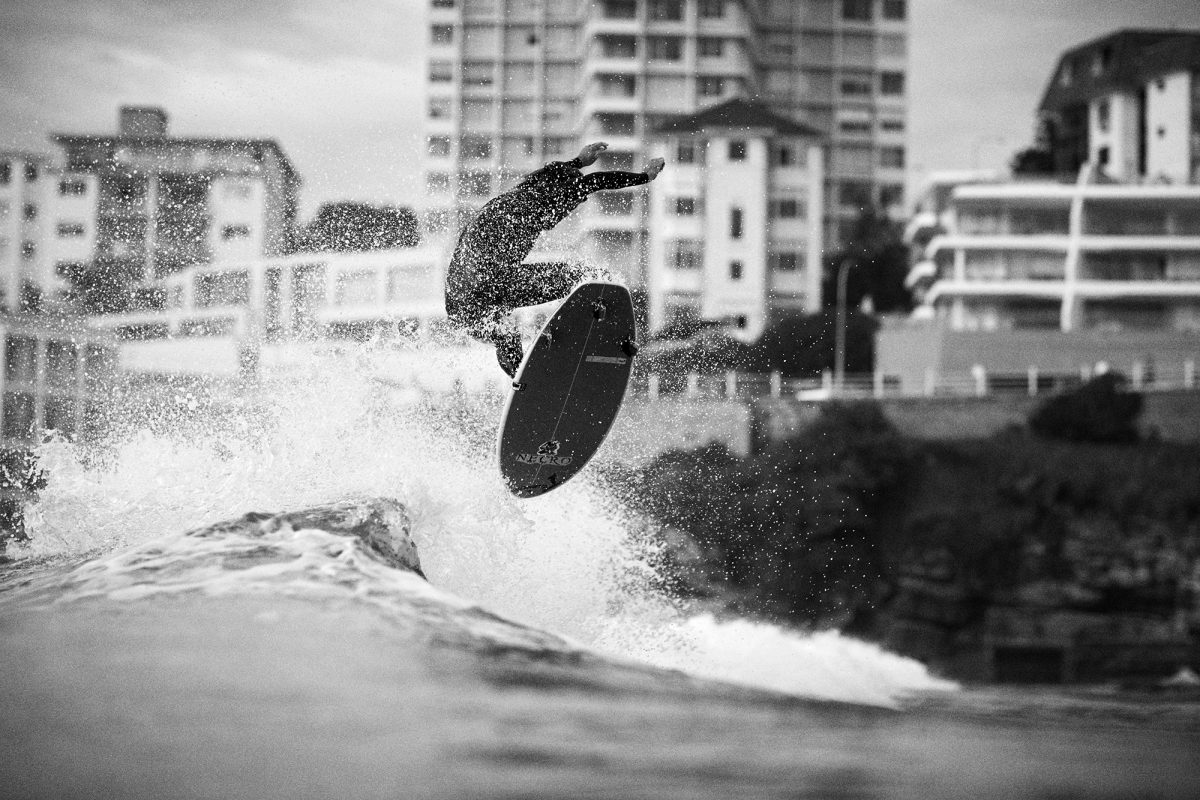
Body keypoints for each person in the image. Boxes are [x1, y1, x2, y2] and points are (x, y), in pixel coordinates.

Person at [445, 141, 665, 377]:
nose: (569, 209)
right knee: (587, 278)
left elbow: (550, 174)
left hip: (460, 308)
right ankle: (591, 340)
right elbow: (594, 181)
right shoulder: (539, 204)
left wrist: (579, 161)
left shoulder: (521, 191)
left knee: (504, 334)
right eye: (573, 202)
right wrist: (645, 176)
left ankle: (523, 380)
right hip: (491, 284)